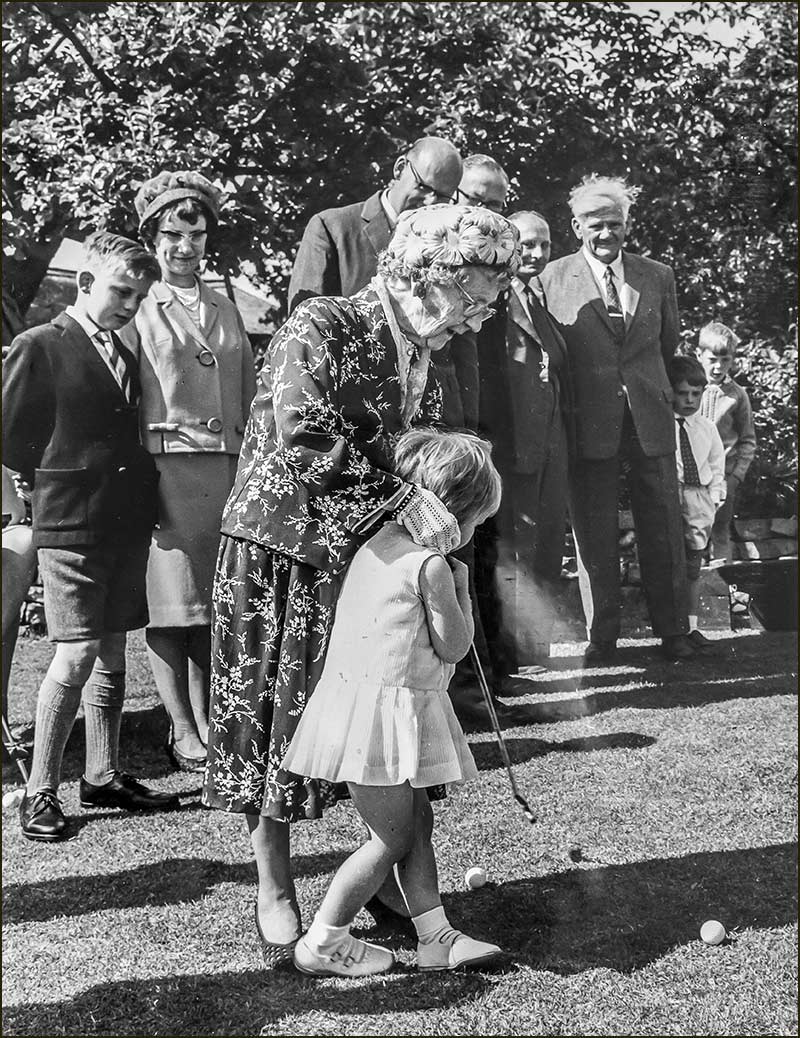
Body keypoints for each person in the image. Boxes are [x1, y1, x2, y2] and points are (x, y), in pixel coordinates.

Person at [202, 204, 520, 968]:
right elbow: (301, 431)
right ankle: (274, 886)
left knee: (375, 720)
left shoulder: (430, 359)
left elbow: (424, 458)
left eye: (486, 306)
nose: (474, 322)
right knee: (279, 721)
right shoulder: (325, 322)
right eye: (470, 299)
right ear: (425, 274)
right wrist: (405, 501)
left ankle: (391, 885)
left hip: (367, 560)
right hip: (283, 550)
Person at [282, 427, 504, 977]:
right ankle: (322, 942)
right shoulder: (432, 567)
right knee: (392, 836)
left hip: (369, 713)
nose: (474, 533)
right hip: (380, 721)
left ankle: (435, 937)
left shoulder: (379, 543)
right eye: (476, 521)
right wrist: (461, 588)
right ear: (453, 513)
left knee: (417, 821)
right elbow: (454, 644)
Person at [2, 231, 180, 842]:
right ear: (84, 282)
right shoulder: (38, 346)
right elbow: (11, 436)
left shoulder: (126, 354)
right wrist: (46, 486)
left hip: (124, 522)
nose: (130, 306)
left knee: (110, 651)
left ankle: (103, 773)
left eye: (140, 297)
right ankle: (39, 791)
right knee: (75, 654)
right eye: (121, 292)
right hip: (70, 523)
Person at [120, 171, 257, 771]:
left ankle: (210, 721)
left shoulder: (225, 306)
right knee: (172, 607)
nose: (185, 247)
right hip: (164, 473)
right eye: (172, 235)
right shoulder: (137, 306)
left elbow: (251, 392)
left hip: (225, 471)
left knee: (213, 603)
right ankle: (181, 728)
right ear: (152, 238)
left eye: (196, 234)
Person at [540, 175, 694, 663]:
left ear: (627, 226)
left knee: (664, 525)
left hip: (649, 417)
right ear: (576, 226)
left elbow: (665, 347)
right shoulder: (551, 278)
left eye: (615, 224)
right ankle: (602, 637)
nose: (607, 234)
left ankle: (674, 632)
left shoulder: (658, 275)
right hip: (588, 420)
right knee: (593, 528)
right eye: (596, 225)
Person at [477, 210, 573, 673]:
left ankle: (536, 649)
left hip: (550, 438)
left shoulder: (538, 297)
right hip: (514, 439)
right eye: (527, 245)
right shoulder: (493, 299)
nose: (536, 255)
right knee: (514, 546)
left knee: (546, 540)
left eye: (544, 246)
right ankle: (512, 656)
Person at [287, 136, 463, 313]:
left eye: (442, 196)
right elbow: (305, 325)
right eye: (424, 186)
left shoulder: (448, 249)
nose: (429, 202)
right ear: (400, 168)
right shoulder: (331, 228)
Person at [667, 355, 726, 645]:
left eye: (696, 394)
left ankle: (691, 627)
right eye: (683, 393)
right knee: (671, 562)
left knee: (693, 565)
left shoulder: (707, 428)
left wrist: (714, 499)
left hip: (699, 498)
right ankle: (673, 629)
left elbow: (717, 466)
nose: (690, 400)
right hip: (671, 495)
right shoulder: (664, 426)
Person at [697, 321, 756, 563]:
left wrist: (735, 477)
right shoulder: (689, 389)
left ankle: (723, 593)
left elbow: (748, 441)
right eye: (712, 359)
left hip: (723, 479)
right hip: (692, 478)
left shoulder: (737, 395)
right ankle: (692, 592)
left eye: (726, 360)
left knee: (720, 533)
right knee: (692, 534)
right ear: (698, 355)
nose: (719, 367)